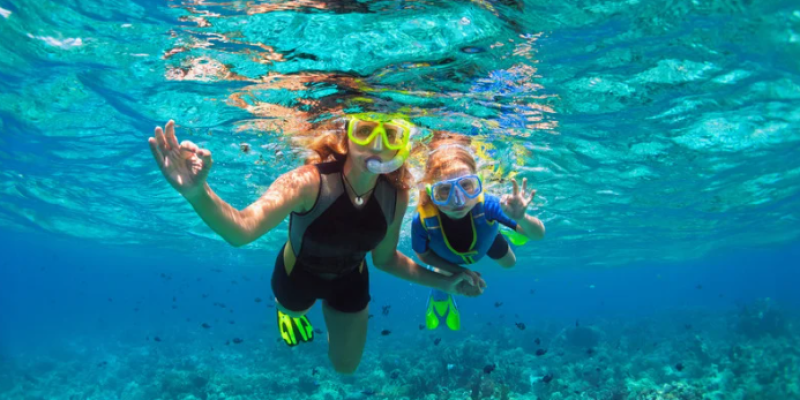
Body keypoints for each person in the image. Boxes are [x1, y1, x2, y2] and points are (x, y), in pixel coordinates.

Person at [147, 114, 482, 374]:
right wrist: (196, 192)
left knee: (346, 368)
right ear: (347, 137)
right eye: (365, 131)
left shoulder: (397, 194)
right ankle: (287, 312)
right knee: (294, 310)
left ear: (400, 145)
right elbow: (242, 231)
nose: (377, 145)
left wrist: (447, 282)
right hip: (297, 275)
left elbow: (385, 260)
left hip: (351, 279)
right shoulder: (308, 181)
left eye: (390, 135)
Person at [412, 135, 545, 331]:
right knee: (443, 278)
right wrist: (460, 272)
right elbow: (422, 255)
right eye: (444, 191)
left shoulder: (489, 204)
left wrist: (521, 218)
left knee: (510, 263)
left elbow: (538, 235)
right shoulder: (423, 220)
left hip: (486, 240)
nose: (458, 201)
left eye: (466, 186)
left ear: (479, 184)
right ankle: (440, 300)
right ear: (431, 193)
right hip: (446, 257)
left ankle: (510, 227)